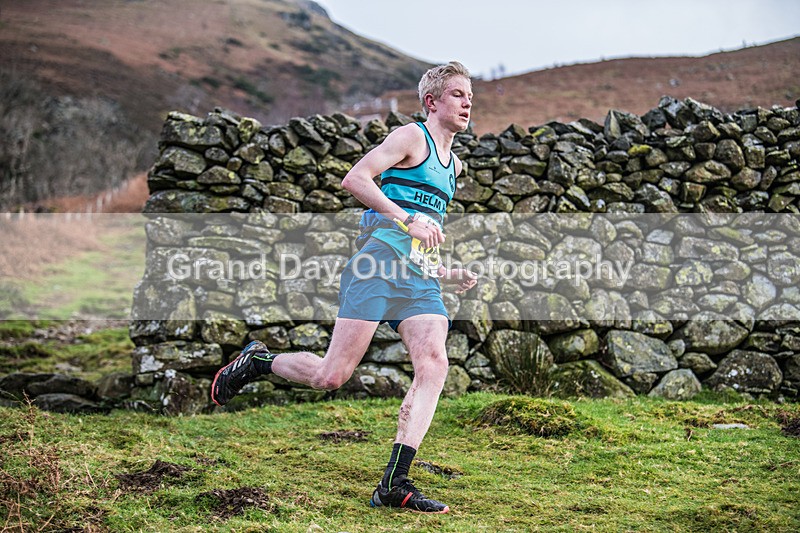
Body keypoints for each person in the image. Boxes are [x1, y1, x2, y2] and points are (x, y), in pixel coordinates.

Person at [211, 61, 477, 514]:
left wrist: (445, 273)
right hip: (374, 265)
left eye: (470, 95)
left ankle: (394, 484)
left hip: (415, 279)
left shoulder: (453, 167)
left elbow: (419, 240)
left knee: (434, 363)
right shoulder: (413, 138)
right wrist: (406, 218)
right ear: (432, 102)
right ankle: (259, 361)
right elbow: (355, 179)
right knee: (331, 376)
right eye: (457, 94)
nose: (467, 102)